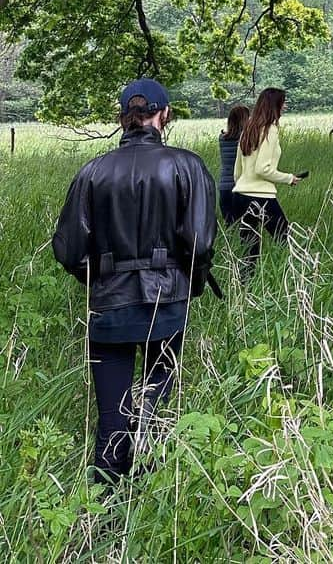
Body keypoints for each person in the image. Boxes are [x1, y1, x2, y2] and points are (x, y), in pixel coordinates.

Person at [52, 78, 217, 482]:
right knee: (155, 402)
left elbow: (69, 249)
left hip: (109, 306)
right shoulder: (188, 166)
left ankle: (106, 517)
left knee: (111, 416)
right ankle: (149, 485)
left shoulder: (93, 171)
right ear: (165, 114)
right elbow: (199, 244)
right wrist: (187, 287)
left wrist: (98, 280)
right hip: (168, 306)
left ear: (123, 118)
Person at [232, 87, 301, 263]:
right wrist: (289, 178)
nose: (285, 106)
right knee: (287, 242)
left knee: (249, 251)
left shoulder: (248, 128)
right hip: (261, 197)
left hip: (240, 195)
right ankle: (296, 280)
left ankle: (244, 288)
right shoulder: (270, 130)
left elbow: (237, 171)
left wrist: (242, 186)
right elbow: (262, 169)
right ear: (275, 105)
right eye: (283, 102)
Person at [218, 103, 249, 224]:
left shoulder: (222, 138)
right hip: (242, 187)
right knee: (248, 229)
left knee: (230, 228)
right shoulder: (247, 139)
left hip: (225, 187)